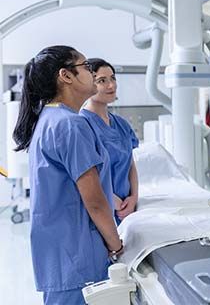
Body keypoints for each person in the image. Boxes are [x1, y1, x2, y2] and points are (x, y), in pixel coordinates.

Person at [13, 46, 122, 305]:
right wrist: (116, 246)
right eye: (86, 67)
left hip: (60, 257)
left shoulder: (49, 119)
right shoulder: (71, 125)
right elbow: (94, 201)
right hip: (81, 258)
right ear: (66, 75)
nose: (92, 73)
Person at [81, 58, 140, 224]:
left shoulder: (121, 124)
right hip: (102, 211)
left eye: (113, 78)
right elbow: (86, 176)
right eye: (102, 81)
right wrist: (115, 203)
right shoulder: (81, 125)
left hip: (128, 209)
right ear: (88, 85)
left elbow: (130, 164)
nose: (111, 85)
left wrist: (134, 197)